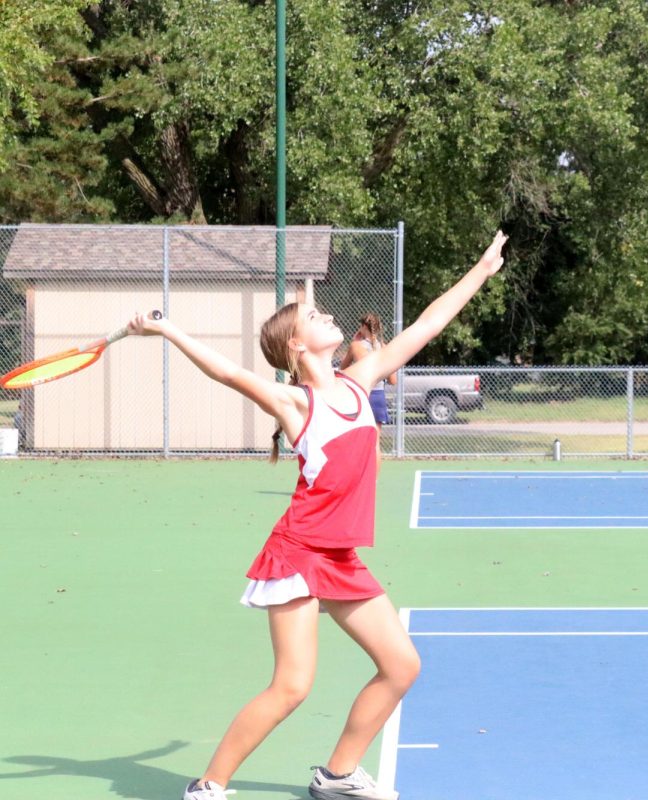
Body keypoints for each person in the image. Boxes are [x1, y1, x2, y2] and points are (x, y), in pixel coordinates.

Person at [127, 231, 507, 800]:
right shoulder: (295, 402)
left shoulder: (362, 381)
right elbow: (228, 373)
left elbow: (427, 325)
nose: (327, 315)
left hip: (340, 555)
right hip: (300, 552)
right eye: (313, 315)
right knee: (292, 686)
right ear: (296, 348)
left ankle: (337, 775)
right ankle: (209, 786)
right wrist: (167, 328)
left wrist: (480, 269)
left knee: (401, 665)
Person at [340, 313, 396, 434]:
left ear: (364, 326)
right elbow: (393, 380)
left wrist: (354, 341)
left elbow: (342, 368)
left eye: (360, 326)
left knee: (358, 440)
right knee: (375, 442)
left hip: (361, 395)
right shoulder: (384, 347)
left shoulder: (356, 346)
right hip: (378, 396)